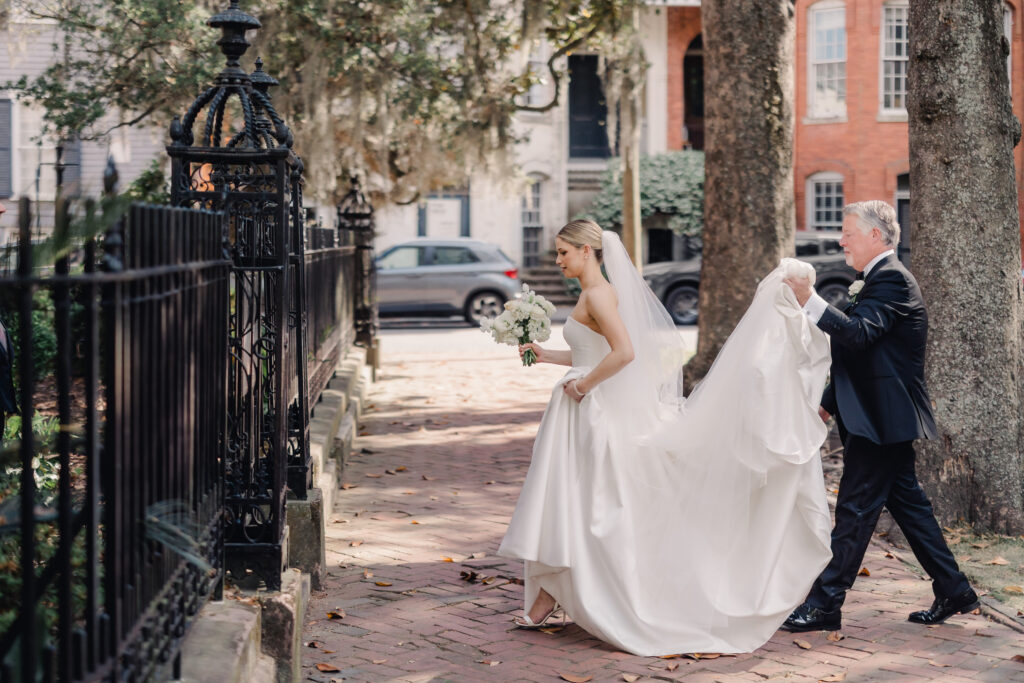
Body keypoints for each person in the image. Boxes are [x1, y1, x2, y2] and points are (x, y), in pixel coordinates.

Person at [498, 219, 835, 656]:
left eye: (564, 252)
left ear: (587, 251)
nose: (558, 259)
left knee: (589, 505)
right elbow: (592, 352)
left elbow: (625, 354)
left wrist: (582, 387)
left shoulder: (599, 293)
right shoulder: (592, 294)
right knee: (574, 503)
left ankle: (575, 595)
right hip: (580, 412)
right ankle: (552, 594)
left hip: (593, 411)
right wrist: (547, 356)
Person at [782, 201, 977, 633]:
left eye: (847, 232)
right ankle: (954, 589)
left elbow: (858, 334)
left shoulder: (892, 282)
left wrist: (808, 300)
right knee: (909, 507)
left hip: (882, 422)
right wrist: (828, 402)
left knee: (854, 510)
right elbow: (861, 355)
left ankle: (825, 604)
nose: (841, 240)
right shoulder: (873, 281)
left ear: (874, 236)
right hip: (876, 417)